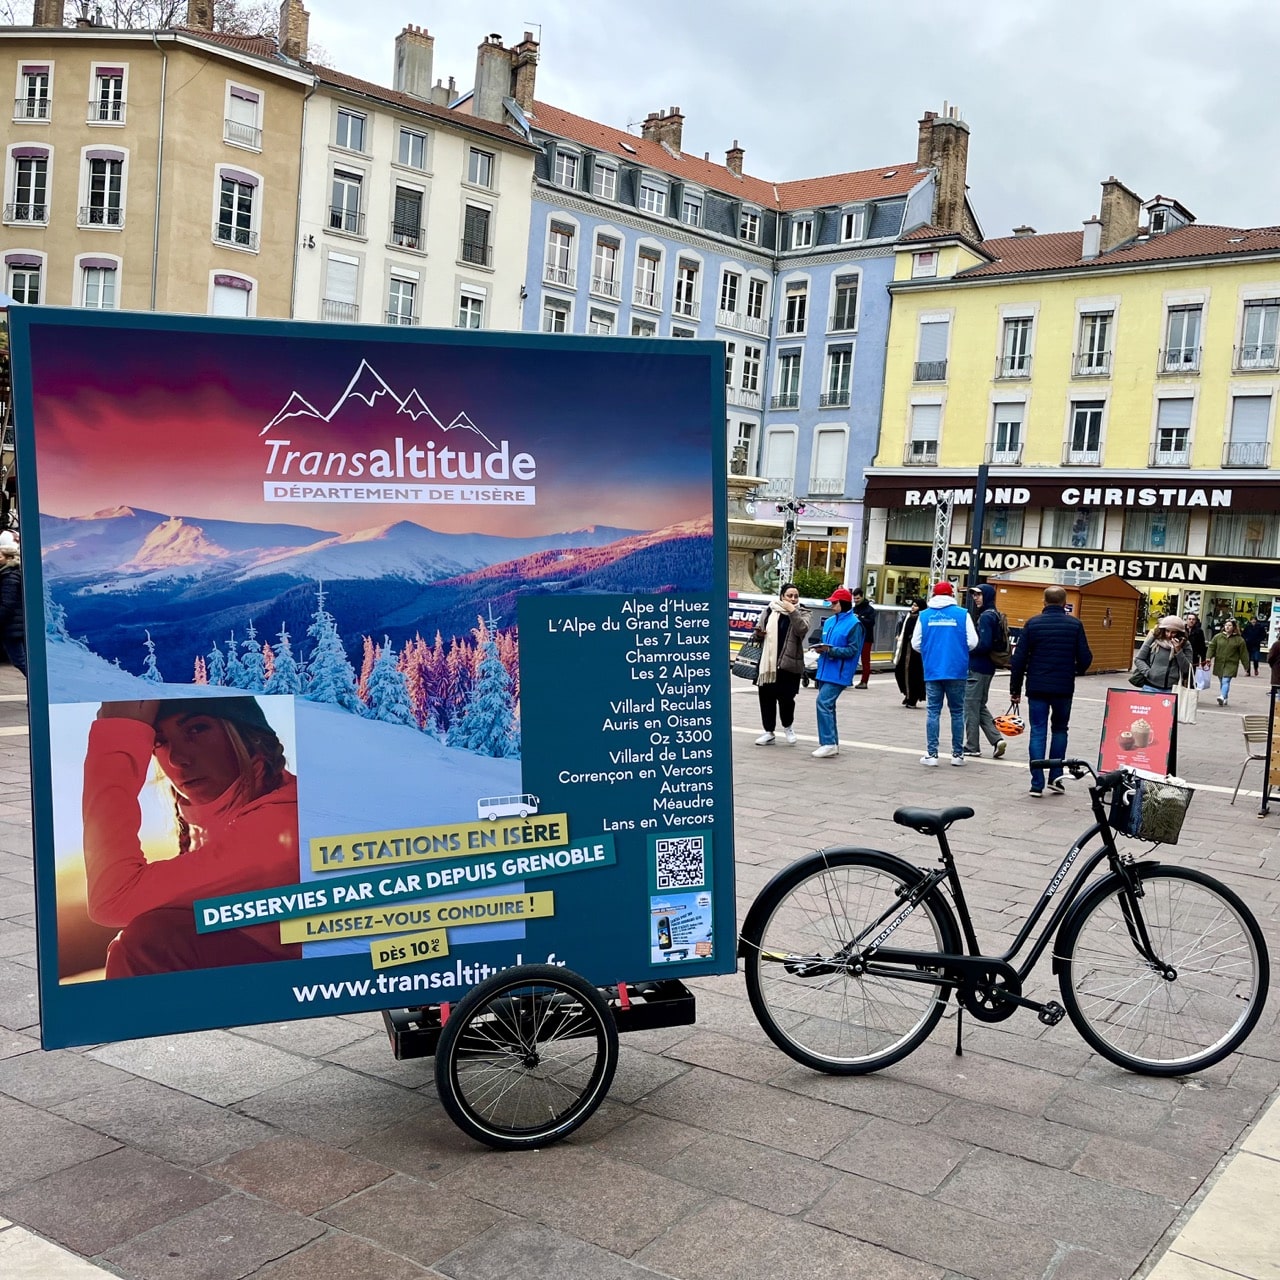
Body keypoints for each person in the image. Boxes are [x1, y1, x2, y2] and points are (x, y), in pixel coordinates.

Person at [82, 696, 302, 978]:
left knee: (149, 943)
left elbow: (112, 899)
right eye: (159, 741)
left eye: (196, 730)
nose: (176, 758)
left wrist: (118, 737)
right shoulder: (236, 816)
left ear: (248, 737)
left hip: (316, 988)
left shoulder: (279, 827)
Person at [1009, 585, 1093, 798]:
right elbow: (1086, 657)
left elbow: (1018, 659)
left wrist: (1015, 689)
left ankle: (1036, 783)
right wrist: (1075, 671)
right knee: (1060, 729)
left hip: (1037, 685)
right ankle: (1056, 779)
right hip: (1063, 687)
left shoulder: (1033, 624)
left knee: (1038, 731)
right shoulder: (1075, 625)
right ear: (1065, 603)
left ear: (1044, 602)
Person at [911, 581, 977, 767]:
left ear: (933, 595)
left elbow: (916, 643)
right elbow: (973, 642)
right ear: (951, 594)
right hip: (957, 669)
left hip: (932, 669)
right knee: (957, 712)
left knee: (933, 711)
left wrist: (930, 650)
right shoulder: (962, 614)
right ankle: (957, 755)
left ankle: (932, 755)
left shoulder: (924, 615)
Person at [751, 583, 809, 745]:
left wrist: (793, 611)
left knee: (787, 699)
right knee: (766, 698)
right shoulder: (770, 610)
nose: (792, 598)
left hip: (789, 664)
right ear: (782, 596)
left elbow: (802, 630)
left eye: (795, 596)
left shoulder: (803, 612)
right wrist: (758, 634)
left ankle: (788, 727)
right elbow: (759, 629)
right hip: (767, 663)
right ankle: (768, 731)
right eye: (789, 595)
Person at [810, 587, 864, 759]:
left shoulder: (855, 624)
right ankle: (831, 742)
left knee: (823, 703)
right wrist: (822, 648)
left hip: (839, 671)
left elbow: (853, 650)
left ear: (844, 603)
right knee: (828, 705)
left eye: (834, 602)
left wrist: (830, 650)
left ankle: (828, 743)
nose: (831, 605)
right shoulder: (830, 621)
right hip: (825, 669)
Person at [963, 583, 1007, 759]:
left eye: (979, 595)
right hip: (987, 667)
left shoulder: (986, 617)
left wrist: (966, 649)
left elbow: (984, 644)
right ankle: (997, 740)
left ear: (987, 596)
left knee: (970, 706)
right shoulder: (994, 614)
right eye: (974, 595)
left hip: (978, 667)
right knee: (979, 706)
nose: (976, 598)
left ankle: (972, 746)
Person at [1133, 615, 1193, 695]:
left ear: (1179, 633)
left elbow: (1187, 668)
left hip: (1172, 688)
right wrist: (1148, 672)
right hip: (1150, 686)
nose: (1169, 635)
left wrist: (1178, 651)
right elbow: (1138, 659)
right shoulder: (1154, 639)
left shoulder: (1185, 644)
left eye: (1173, 632)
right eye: (1167, 631)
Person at [1206, 618, 1250, 707]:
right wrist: (1208, 657)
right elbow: (1212, 647)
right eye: (1226, 625)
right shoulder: (1218, 637)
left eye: (1230, 625)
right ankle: (1225, 697)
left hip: (1231, 664)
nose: (1227, 627)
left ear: (1234, 627)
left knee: (1226, 680)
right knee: (1222, 681)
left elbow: (1244, 653)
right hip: (1219, 662)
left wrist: (1246, 666)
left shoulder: (1239, 640)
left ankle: (1222, 696)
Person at [0, 533, 26, 678]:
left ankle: (41, 692)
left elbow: (7, 604)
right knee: (21, 660)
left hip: (12, 626)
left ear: (9, 558)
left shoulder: (9, 576)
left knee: (20, 660)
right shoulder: (9, 574)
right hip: (14, 624)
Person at [893, 597, 926, 708]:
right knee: (900, 671)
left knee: (914, 674)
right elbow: (902, 628)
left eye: (916, 605)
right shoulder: (907, 617)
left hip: (916, 653)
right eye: (912, 605)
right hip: (904, 650)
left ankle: (913, 697)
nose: (913, 607)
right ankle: (907, 694)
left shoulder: (922, 618)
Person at [850, 587, 876, 689]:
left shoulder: (870, 610)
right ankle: (848, 679)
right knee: (852, 658)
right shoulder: (854, 609)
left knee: (865, 660)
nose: (856, 601)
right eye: (854, 599)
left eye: (857, 598)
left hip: (866, 637)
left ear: (862, 596)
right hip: (855, 636)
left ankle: (864, 681)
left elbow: (871, 623)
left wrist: (860, 619)